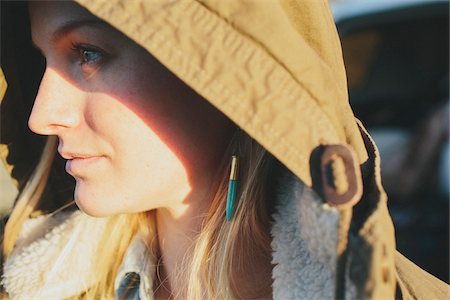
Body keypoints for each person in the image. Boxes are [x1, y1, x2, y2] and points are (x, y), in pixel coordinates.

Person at [0, 1, 448, 299]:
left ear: (225, 70)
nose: (41, 116)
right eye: (43, 61)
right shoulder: (36, 281)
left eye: (87, 54)